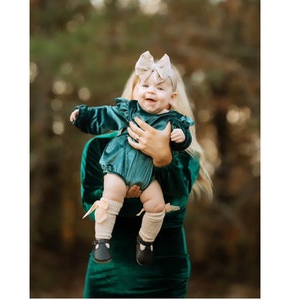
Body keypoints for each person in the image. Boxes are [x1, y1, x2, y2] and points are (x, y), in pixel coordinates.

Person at [75, 52, 213, 297]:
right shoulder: (99, 147)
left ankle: (145, 242)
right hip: (109, 271)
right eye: (146, 84)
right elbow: (90, 203)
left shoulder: (186, 152)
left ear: (172, 96)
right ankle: (102, 242)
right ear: (135, 89)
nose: (151, 91)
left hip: (164, 272)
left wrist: (164, 158)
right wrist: (122, 194)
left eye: (160, 87)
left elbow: (176, 204)